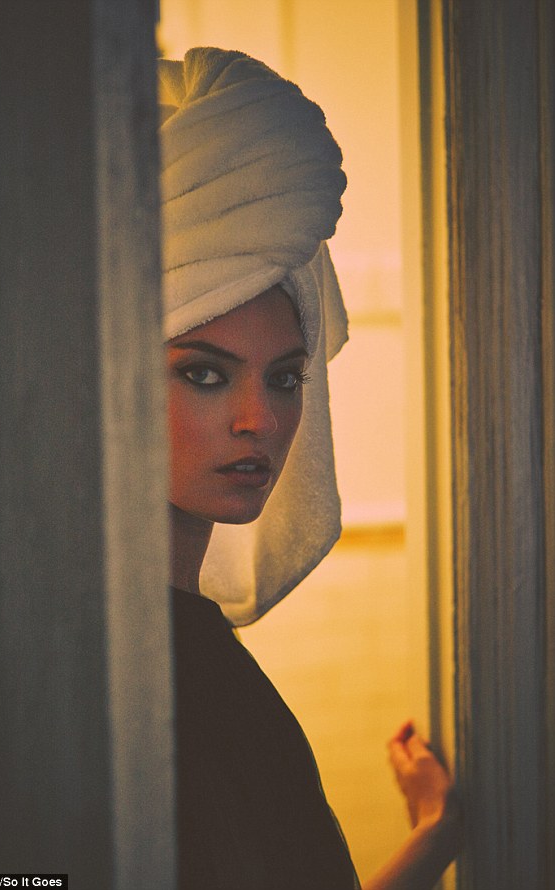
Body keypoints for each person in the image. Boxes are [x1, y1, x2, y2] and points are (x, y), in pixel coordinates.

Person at [159, 47, 459, 889]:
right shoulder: (134, 676)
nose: (261, 420)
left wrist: (435, 834)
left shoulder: (190, 647)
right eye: (204, 373)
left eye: (286, 377)